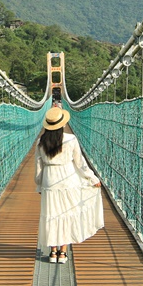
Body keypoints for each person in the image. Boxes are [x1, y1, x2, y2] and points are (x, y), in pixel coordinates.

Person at [34, 106, 104, 263]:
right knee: (66, 214)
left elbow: (39, 166)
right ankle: (63, 253)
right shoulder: (71, 139)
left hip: (49, 181)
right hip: (68, 180)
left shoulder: (41, 141)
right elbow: (80, 163)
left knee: (52, 215)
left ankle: (52, 253)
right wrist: (92, 178)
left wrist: (39, 184)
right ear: (62, 124)